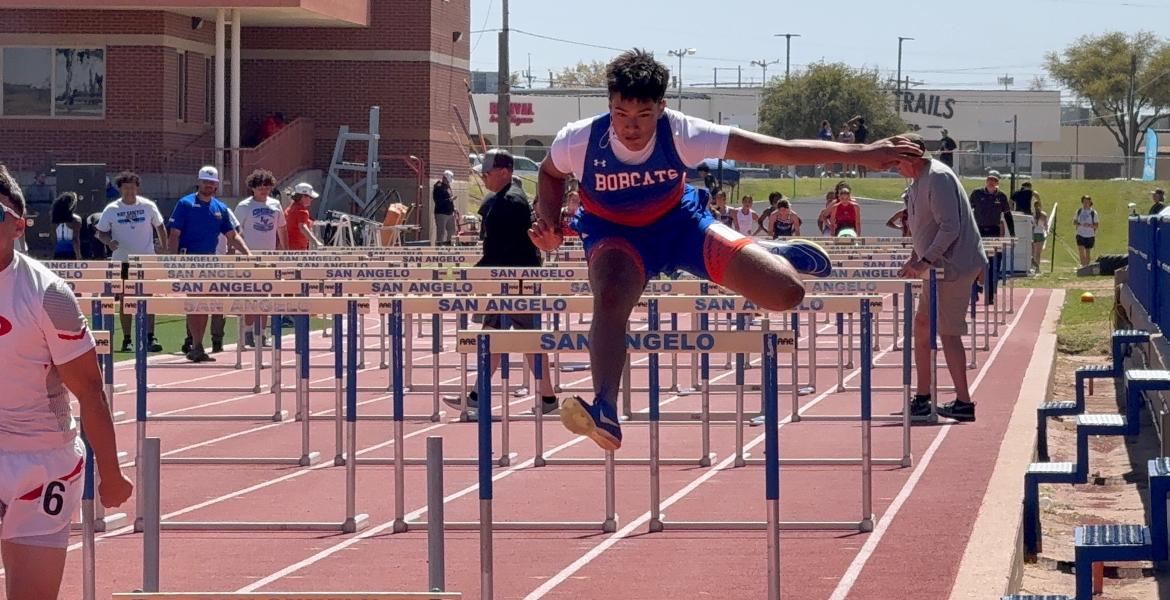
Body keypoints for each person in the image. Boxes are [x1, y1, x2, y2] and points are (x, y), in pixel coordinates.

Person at [528, 49, 919, 451]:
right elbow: (549, 172)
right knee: (610, 297)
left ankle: (775, 253)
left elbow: (776, 150)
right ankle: (604, 409)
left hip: (681, 227)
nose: (630, 128)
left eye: (643, 117)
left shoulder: (682, 132)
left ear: (661, 109)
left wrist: (862, 153)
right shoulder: (579, 139)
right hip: (616, 235)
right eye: (620, 115)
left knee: (786, 293)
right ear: (608, 106)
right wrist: (552, 223)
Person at [0, 164, 134, 600]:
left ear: (18, 224)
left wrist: (111, 473)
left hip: (45, 463)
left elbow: (90, 392)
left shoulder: (47, 294)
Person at [443, 149, 557, 418]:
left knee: (527, 340)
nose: (482, 177)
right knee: (492, 336)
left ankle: (548, 399)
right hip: (508, 280)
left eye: (487, 173)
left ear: (504, 171)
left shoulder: (510, 203)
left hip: (517, 282)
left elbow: (501, 251)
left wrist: (473, 276)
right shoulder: (505, 199)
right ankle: (477, 396)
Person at [894, 134, 988, 422]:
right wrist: (915, 256)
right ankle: (923, 397)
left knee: (948, 332)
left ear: (912, 159)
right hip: (934, 268)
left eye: (896, 162)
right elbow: (924, 227)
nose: (894, 168)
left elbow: (950, 228)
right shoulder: (917, 183)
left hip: (952, 266)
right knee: (922, 326)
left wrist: (924, 260)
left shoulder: (938, 178)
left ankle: (963, 402)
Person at [167, 166, 251, 362]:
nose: (209, 185)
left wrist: (248, 254)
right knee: (196, 302)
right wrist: (173, 261)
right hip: (190, 260)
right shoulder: (185, 204)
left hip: (211, 261)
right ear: (199, 182)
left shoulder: (219, 208)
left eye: (212, 182)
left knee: (205, 303)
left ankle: (198, 345)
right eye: (205, 181)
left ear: (217, 185)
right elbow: (174, 234)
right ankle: (196, 344)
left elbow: (232, 235)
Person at [96, 170, 167, 353]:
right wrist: (108, 242)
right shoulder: (112, 209)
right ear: (120, 189)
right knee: (125, 299)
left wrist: (163, 247)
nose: (129, 191)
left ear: (137, 188)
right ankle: (127, 338)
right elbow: (101, 232)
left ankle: (150, 336)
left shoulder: (148, 206)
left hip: (146, 259)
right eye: (126, 188)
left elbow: (160, 226)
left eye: (132, 188)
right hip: (123, 260)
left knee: (148, 298)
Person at [234, 169, 288, 348]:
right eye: (260, 187)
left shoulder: (275, 205)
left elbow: (282, 228)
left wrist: (284, 251)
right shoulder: (244, 207)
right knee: (250, 294)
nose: (263, 190)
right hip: (249, 256)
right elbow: (235, 231)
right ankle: (247, 330)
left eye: (266, 187)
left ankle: (262, 333)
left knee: (265, 294)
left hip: (269, 256)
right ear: (253, 188)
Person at [968, 170, 1015, 238]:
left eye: (994, 180)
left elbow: (1007, 215)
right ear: (986, 181)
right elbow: (967, 210)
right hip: (978, 228)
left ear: (997, 183)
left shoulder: (1001, 196)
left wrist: (1012, 233)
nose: (991, 182)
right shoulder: (976, 193)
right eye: (989, 180)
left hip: (994, 229)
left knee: (994, 248)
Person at [285, 183, 323, 251]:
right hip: (298, 249)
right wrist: (316, 242)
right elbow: (302, 227)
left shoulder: (290, 208)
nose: (312, 200)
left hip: (287, 248)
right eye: (310, 197)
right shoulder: (302, 211)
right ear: (303, 197)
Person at [49, 192, 81, 260]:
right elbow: (75, 240)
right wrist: (79, 257)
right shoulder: (76, 220)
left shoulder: (54, 220)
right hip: (71, 253)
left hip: (57, 253)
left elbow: (54, 239)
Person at [433, 170, 457, 246]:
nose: (449, 182)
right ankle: (439, 249)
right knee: (441, 232)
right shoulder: (438, 187)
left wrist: (454, 208)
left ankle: (449, 247)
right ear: (444, 178)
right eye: (448, 180)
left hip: (450, 213)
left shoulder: (448, 187)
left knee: (452, 230)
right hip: (441, 213)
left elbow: (450, 197)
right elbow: (439, 201)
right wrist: (450, 199)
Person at [1074, 194, 1099, 268]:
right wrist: (1079, 224)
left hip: (1090, 235)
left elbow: (1096, 225)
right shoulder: (1079, 211)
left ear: (1090, 203)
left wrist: (1089, 225)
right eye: (1084, 202)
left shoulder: (1093, 213)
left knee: (1088, 252)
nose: (1086, 204)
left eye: (1087, 202)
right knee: (1081, 250)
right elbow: (1074, 222)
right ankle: (1083, 266)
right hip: (1080, 234)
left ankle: (1087, 267)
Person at [1030, 195, 1048, 273]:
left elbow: (1031, 225)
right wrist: (1046, 231)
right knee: (1038, 253)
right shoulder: (1043, 214)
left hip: (1033, 234)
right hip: (1040, 234)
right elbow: (1045, 225)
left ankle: (1032, 267)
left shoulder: (1032, 214)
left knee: (1032, 252)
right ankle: (1037, 268)